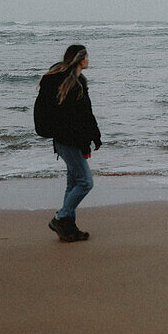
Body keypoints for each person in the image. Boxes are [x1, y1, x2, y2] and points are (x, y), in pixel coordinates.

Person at [36, 44, 102, 242]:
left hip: (69, 139)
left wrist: (94, 137)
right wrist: (87, 142)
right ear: (80, 59)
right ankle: (61, 217)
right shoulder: (69, 83)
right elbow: (74, 118)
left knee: (72, 183)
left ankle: (68, 229)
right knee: (85, 182)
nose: (89, 60)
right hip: (67, 140)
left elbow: (85, 115)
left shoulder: (77, 81)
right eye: (87, 57)